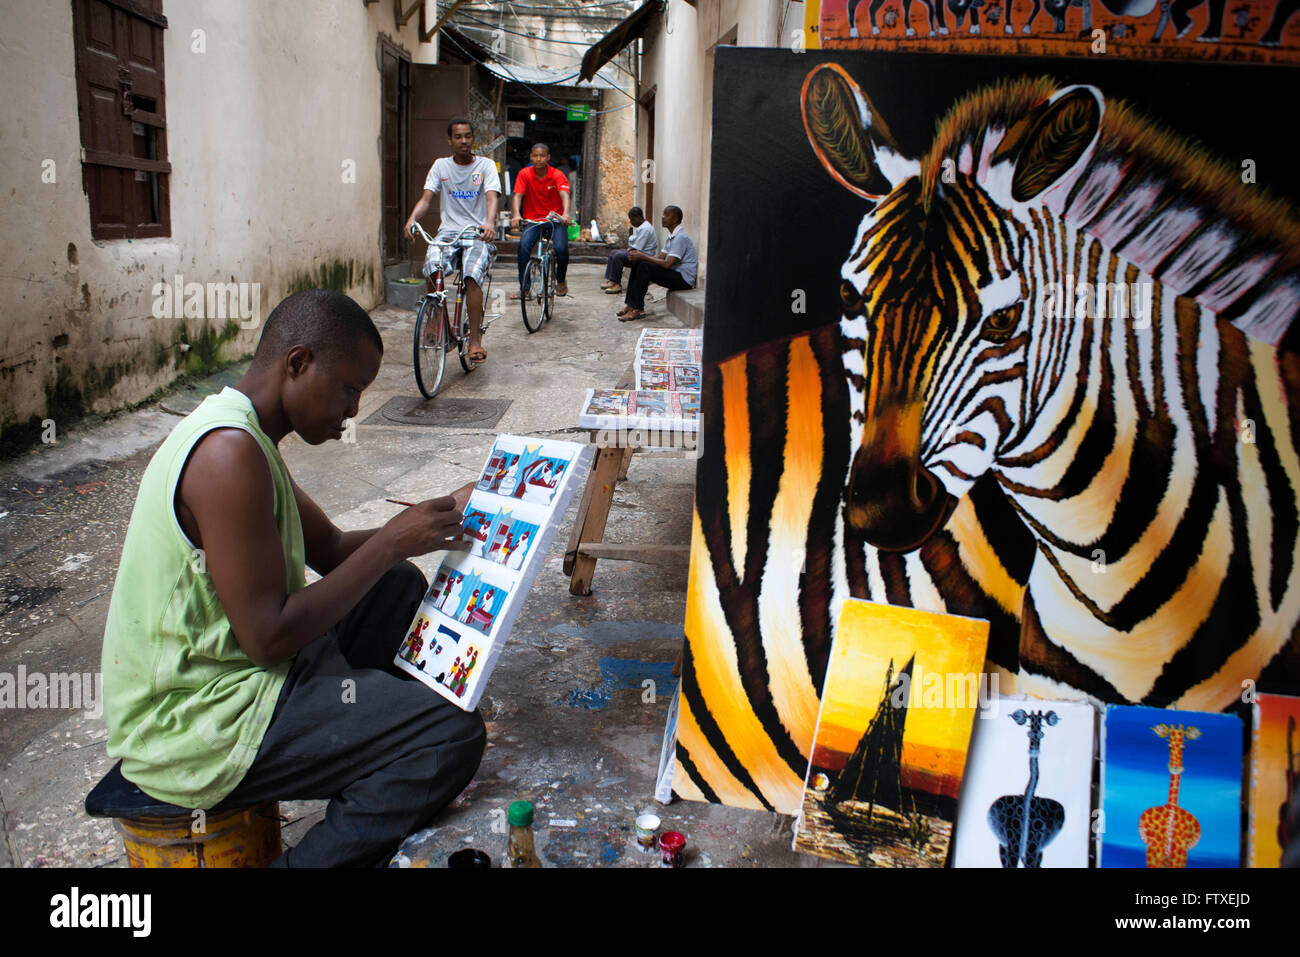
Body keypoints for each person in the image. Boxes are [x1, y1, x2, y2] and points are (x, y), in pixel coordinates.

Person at [100, 289, 486, 867]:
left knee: (395, 584)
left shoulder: (245, 435)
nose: (353, 410)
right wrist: (388, 542)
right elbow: (268, 638)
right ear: (298, 363)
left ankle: (370, 742)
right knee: (451, 735)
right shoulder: (227, 455)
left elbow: (331, 549)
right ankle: (385, 753)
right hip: (194, 720)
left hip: (239, 669)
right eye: (349, 389)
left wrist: (439, 516)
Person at [405, 116, 499, 363]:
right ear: (450, 140)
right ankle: (439, 323)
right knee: (430, 268)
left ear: (473, 139)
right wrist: (412, 219)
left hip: (476, 232)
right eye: (458, 137)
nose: (464, 141)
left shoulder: (486, 166)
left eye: (468, 136)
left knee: (471, 276)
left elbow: (491, 198)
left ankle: (475, 340)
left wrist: (489, 223)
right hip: (448, 232)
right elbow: (427, 199)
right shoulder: (440, 166)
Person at [510, 142, 572, 299]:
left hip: (555, 220)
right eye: (535, 155)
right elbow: (517, 195)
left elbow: (564, 194)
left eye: (542, 155)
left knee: (561, 249)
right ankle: (525, 288)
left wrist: (565, 214)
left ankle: (560, 279)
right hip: (533, 220)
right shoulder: (524, 174)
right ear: (531, 157)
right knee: (523, 246)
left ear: (548, 157)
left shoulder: (557, 174)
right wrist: (516, 214)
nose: (538, 159)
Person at [617, 205, 698, 322]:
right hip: (675, 274)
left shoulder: (680, 237)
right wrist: (640, 257)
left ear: (675, 219)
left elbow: (667, 264)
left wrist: (642, 255)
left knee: (644, 265)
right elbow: (660, 258)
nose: (662, 217)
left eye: (666, 215)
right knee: (639, 263)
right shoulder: (672, 236)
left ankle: (638, 308)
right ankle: (631, 304)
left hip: (683, 280)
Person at [601, 207, 658, 295]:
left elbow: (638, 248)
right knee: (613, 253)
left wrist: (628, 250)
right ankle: (611, 279)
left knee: (618, 256)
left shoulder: (645, 229)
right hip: (637, 251)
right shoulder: (641, 227)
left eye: (632, 219)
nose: (631, 222)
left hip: (643, 256)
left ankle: (617, 284)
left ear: (638, 217)